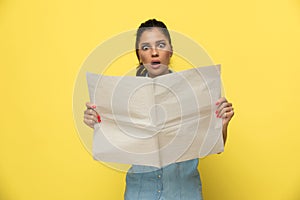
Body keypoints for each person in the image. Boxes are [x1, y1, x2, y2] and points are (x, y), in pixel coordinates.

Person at [83, 19, 234, 200]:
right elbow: (115, 140)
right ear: (139, 55)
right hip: (139, 194)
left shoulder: (195, 91)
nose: (154, 52)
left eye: (161, 45)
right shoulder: (121, 96)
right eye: (146, 47)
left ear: (171, 51)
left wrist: (222, 124)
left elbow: (214, 147)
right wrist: (98, 122)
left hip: (184, 193)